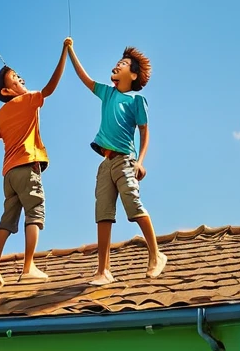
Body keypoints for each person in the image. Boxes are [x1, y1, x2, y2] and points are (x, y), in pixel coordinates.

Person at [65, 39, 167, 285]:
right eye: (117, 62)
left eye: (122, 64)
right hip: (105, 163)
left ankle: (156, 255)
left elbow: (144, 131)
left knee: (133, 205)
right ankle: (103, 270)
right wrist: (70, 51)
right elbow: (85, 78)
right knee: (103, 214)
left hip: (125, 161)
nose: (116, 65)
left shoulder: (136, 101)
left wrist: (140, 162)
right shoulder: (107, 92)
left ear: (133, 75)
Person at [0, 42, 70, 288]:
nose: (21, 78)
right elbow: (50, 88)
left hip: (9, 174)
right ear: (6, 91)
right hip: (27, 167)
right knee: (34, 212)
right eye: (15, 78)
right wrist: (64, 53)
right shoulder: (26, 100)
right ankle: (28, 267)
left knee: (7, 220)